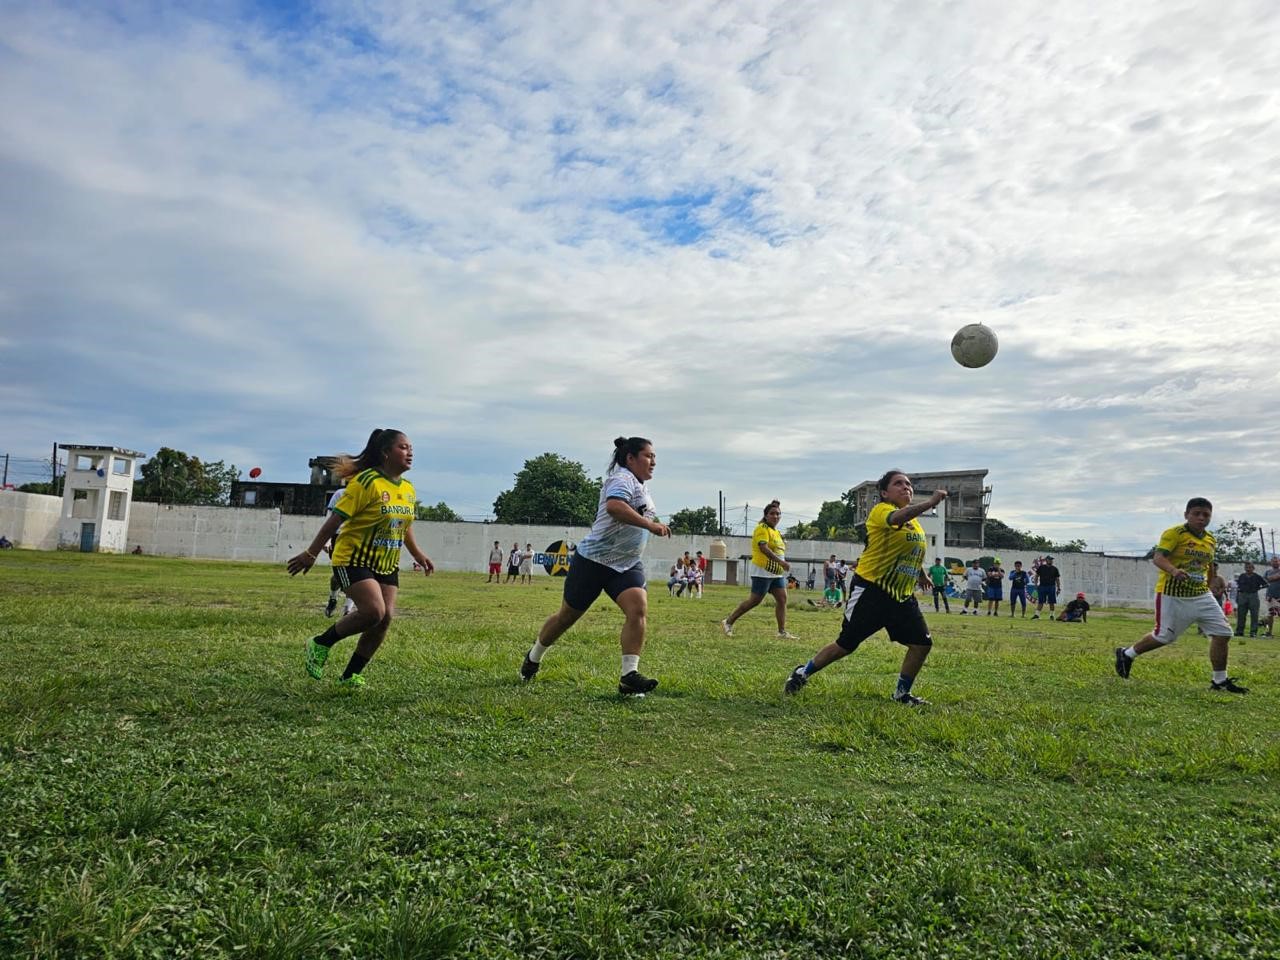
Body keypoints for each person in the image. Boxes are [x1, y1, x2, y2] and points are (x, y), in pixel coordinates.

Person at [520, 437, 671, 695]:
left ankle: (629, 676)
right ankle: (534, 656)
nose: (653, 461)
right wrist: (650, 525)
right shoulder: (621, 479)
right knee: (566, 617)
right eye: (648, 456)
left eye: (654, 456)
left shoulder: (640, 486)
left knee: (638, 610)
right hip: (593, 561)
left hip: (626, 564)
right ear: (630, 458)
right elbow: (614, 507)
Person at [784, 471, 946, 705]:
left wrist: (921, 575)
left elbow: (911, 551)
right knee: (845, 645)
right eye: (898, 483)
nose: (906, 487)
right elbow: (896, 519)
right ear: (884, 493)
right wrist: (930, 503)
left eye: (908, 484)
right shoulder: (881, 511)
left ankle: (901, 694)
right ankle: (802, 673)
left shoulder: (914, 524)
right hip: (872, 591)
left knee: (922, 644)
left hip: (901, 596)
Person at [288, 429, 434, 687]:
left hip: (386, 563)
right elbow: (334, 521)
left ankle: (350, 675)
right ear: (386, 452)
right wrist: (311, 553)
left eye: (411, 448)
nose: (410, 452)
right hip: (353, 559)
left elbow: (404, 524)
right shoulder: (366, 482)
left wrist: (417, 553)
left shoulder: (408, 489)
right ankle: (320, 643)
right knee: (373, 611)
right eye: (403, 447)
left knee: (385, 618)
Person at [1113, 497, 1245, 693]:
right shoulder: (1174, 533)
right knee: (1164, 636)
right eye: (1196, 514)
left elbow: (1208, 565)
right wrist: (1174, 571)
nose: (1201, 518)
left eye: (1206, 515)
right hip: (1172, 593)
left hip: (1201, 594)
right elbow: (1158, 558)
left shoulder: (1210, 539)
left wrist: (1210, 584)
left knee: (1223, 633)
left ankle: (1219, 681)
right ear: (1186, 515)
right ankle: (1127, 654)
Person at [720, 501, 797, 639]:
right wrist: (781, 562)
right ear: (766, 516)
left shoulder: (776, 532)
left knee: (782, 599)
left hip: (776, 573)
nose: (775, 516)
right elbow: (763, 548)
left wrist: (781, 563)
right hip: (762, 570)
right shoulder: (762, 528)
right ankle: (728, 622)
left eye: (778, 514)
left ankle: (781, 632)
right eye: (772, 513)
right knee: (754, 601)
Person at [322, 487, 356, 618]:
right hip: (339, 537)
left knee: (356, 574)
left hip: (359, 538)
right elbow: (330, 519)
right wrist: (327, 540)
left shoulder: (372, 493)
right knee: (338, 576)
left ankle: (348, 609)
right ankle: (333, 598)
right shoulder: (340, 494)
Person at [1032, 555, 1061, 620]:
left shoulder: (1055, 569)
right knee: (1041, 601)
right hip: (1042, 586)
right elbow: (1036, 576)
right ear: (1046, 560)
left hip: (1051, 587)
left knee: (1052, 602)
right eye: (1049, 559)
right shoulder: (1041, 567)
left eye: (1051, 559)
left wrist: (1058, 588)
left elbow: (1057, 579)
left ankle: (1052, 615)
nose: (1051, 561)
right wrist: (1035, 585)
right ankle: (1037, 615)